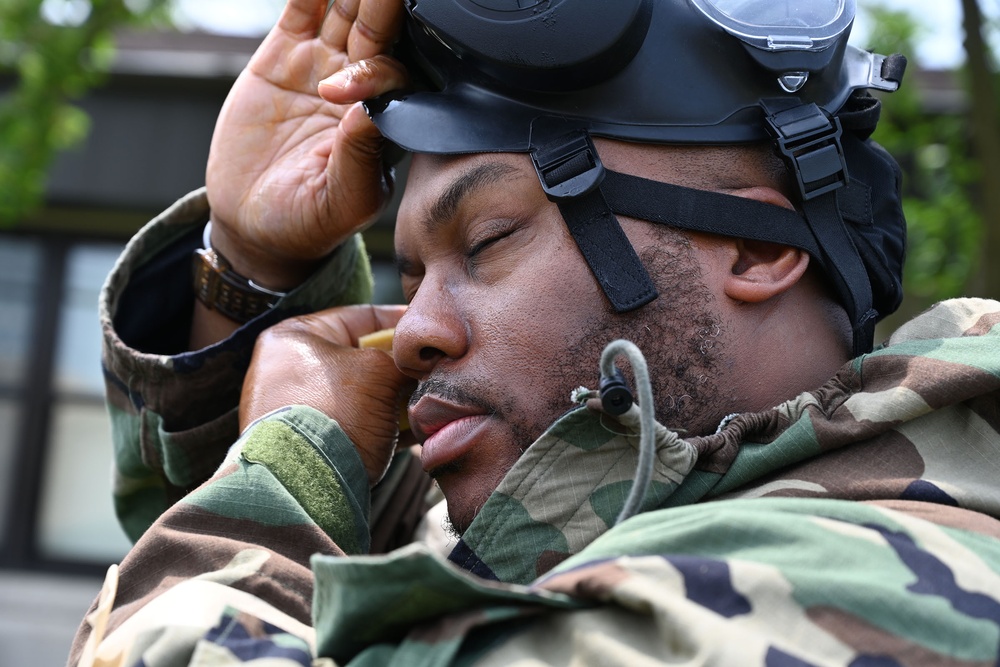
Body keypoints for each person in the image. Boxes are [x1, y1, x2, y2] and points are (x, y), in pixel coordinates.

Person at [70, 0, 1000, 665]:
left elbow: (240, 598)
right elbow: (307, 584)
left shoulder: (868, 581)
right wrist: (249, 265)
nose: (414, 332)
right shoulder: (604, 522)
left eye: (487, 238)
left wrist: (289, 473)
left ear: (755, 250)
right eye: (409, 276)